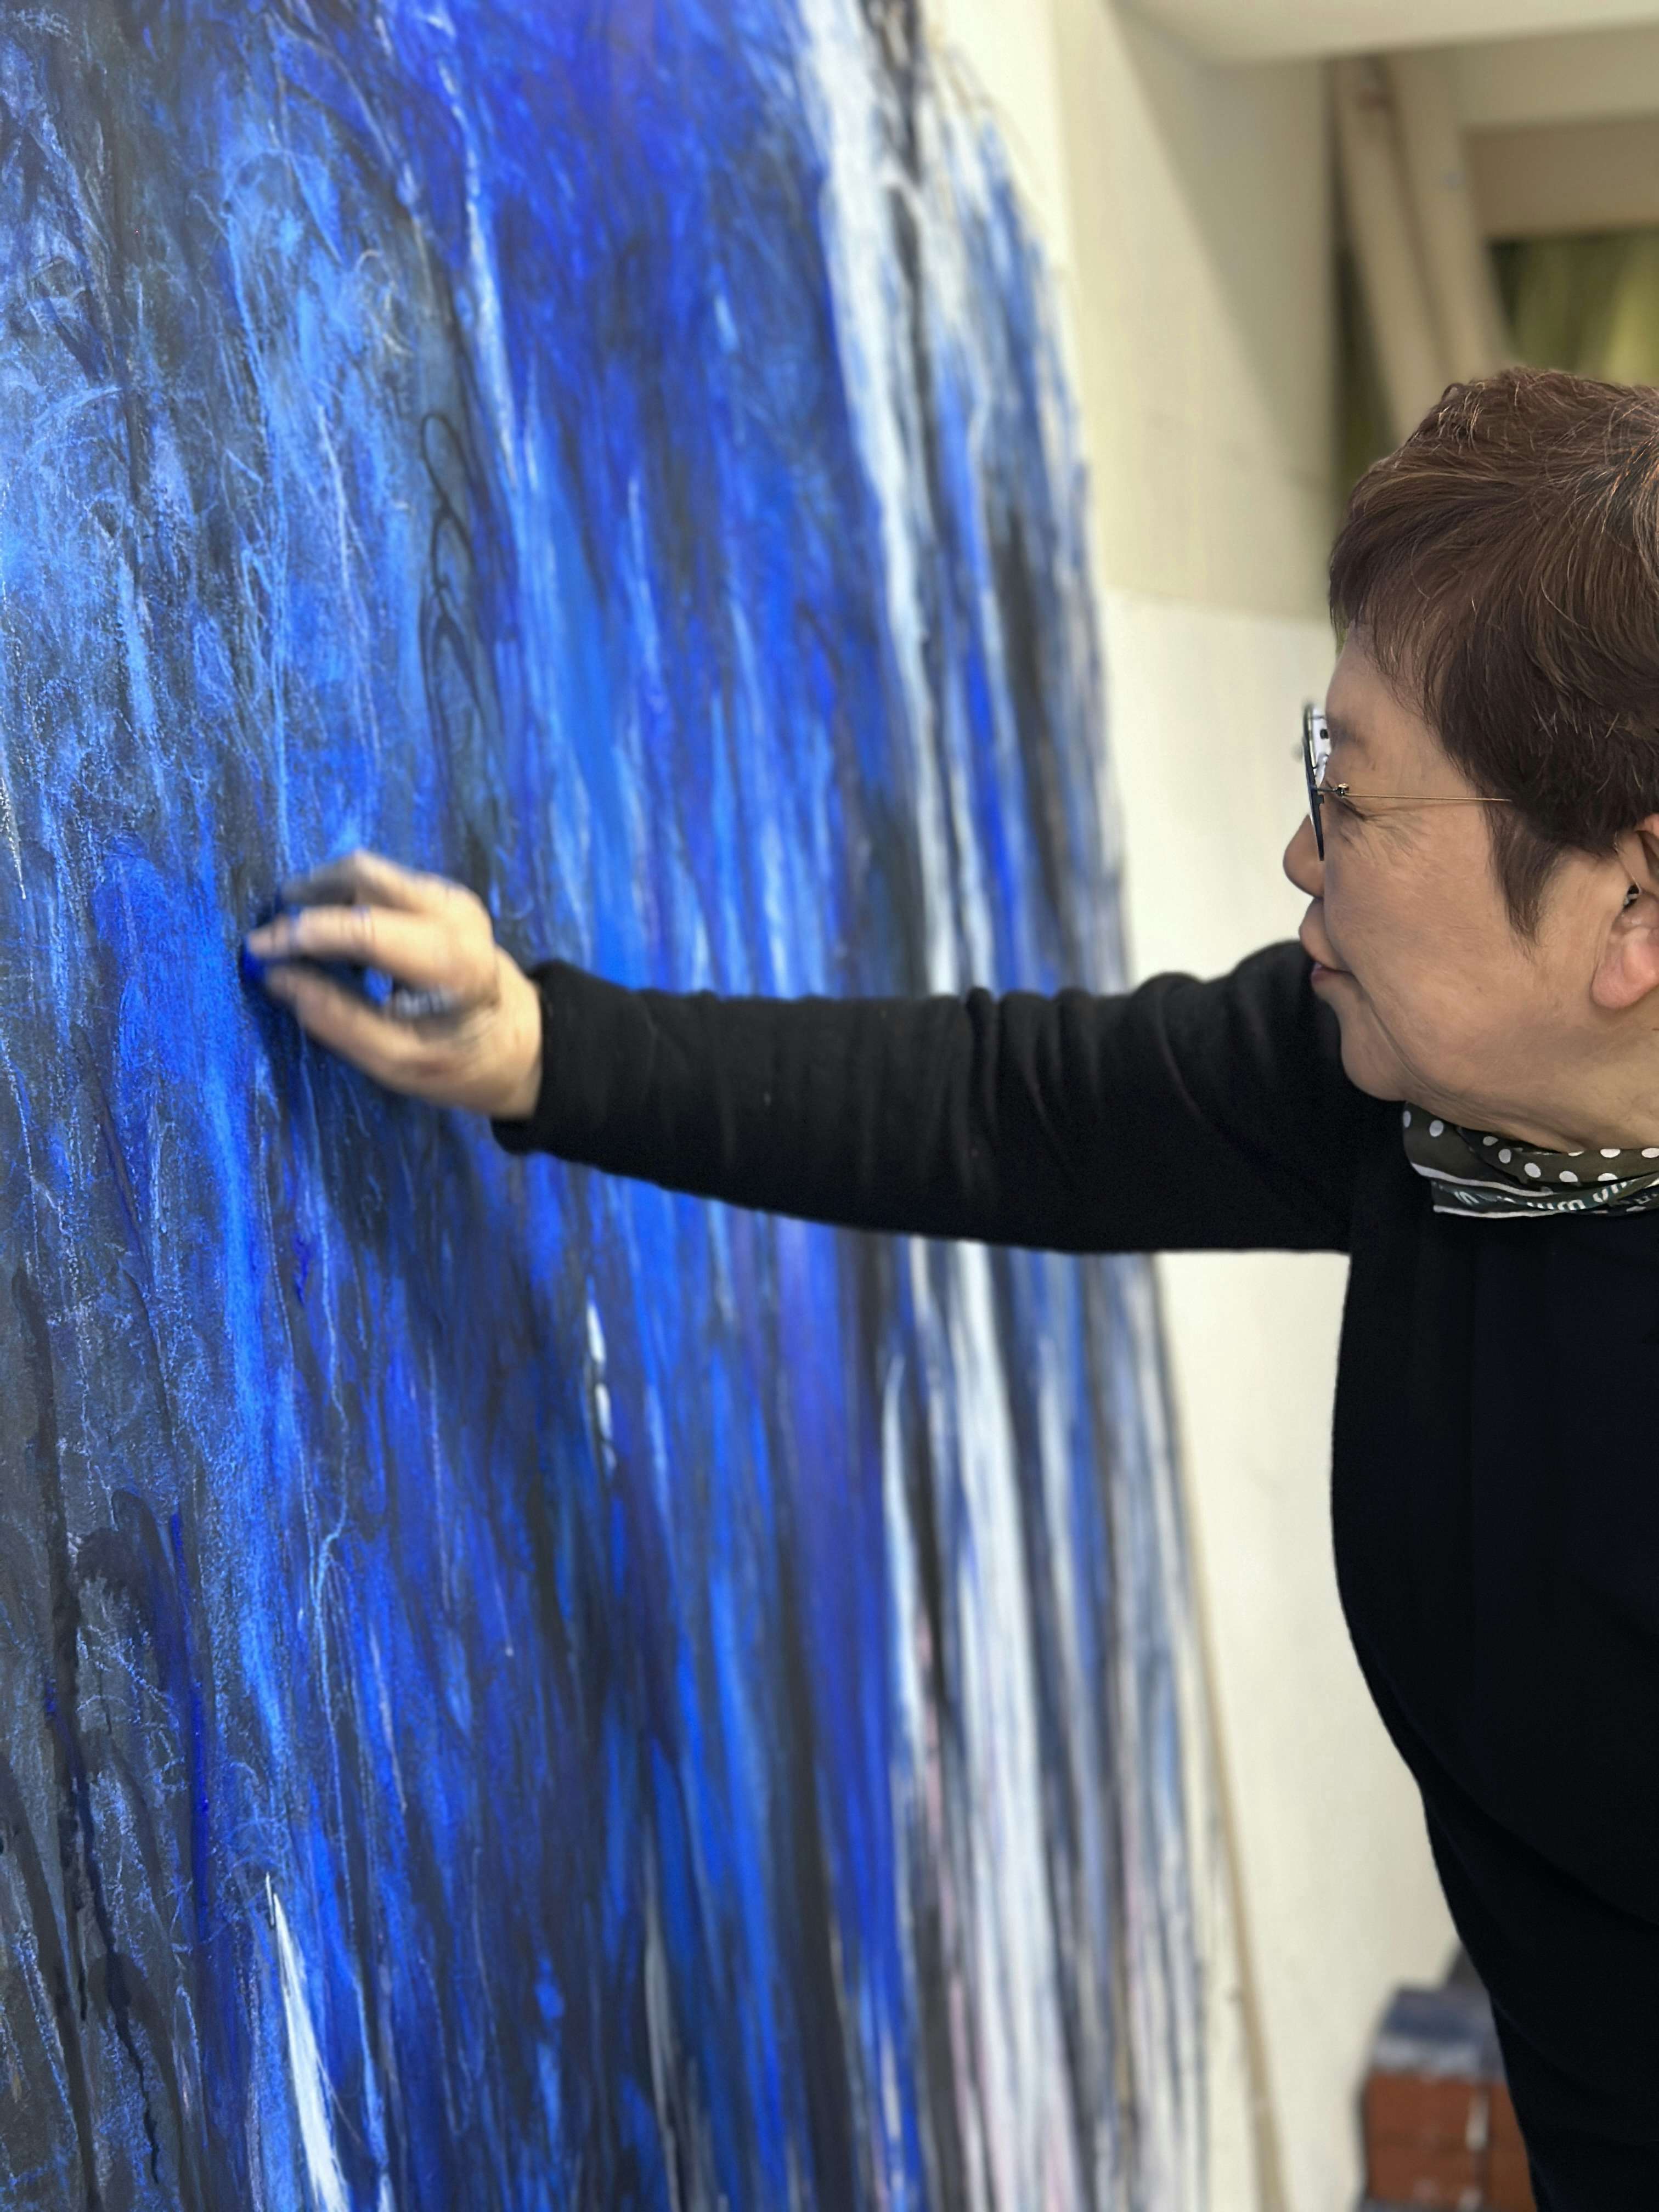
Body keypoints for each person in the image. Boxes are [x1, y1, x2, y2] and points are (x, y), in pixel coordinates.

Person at [245, 367, 1659, 2208]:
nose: (1302, 851)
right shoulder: (1423, 1103)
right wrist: (545, 1047)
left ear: (1634, 910)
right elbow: (1019, 1111)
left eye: (1357, 794)